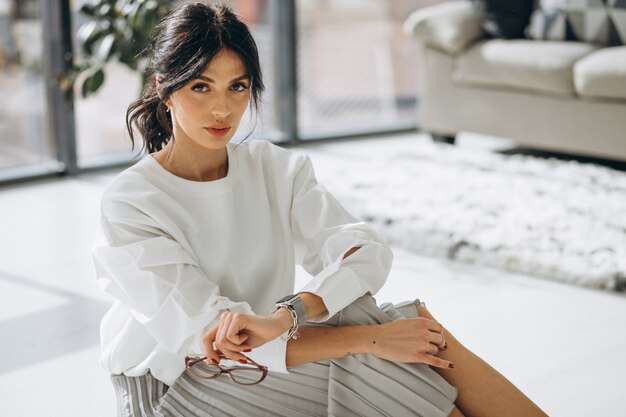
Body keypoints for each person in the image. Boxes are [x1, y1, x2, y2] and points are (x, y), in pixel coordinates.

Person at [92, 2, 548, 417]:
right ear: (165, 90)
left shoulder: (273, 168)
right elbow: (214, 336)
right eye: (200, 86)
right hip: (178, 382)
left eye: (237, 86)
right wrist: (368, 340)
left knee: (403, 331)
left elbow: (365, 250)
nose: (222, 107)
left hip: (266, 351)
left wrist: (289, 314)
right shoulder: (132, 203)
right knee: (385, 342)